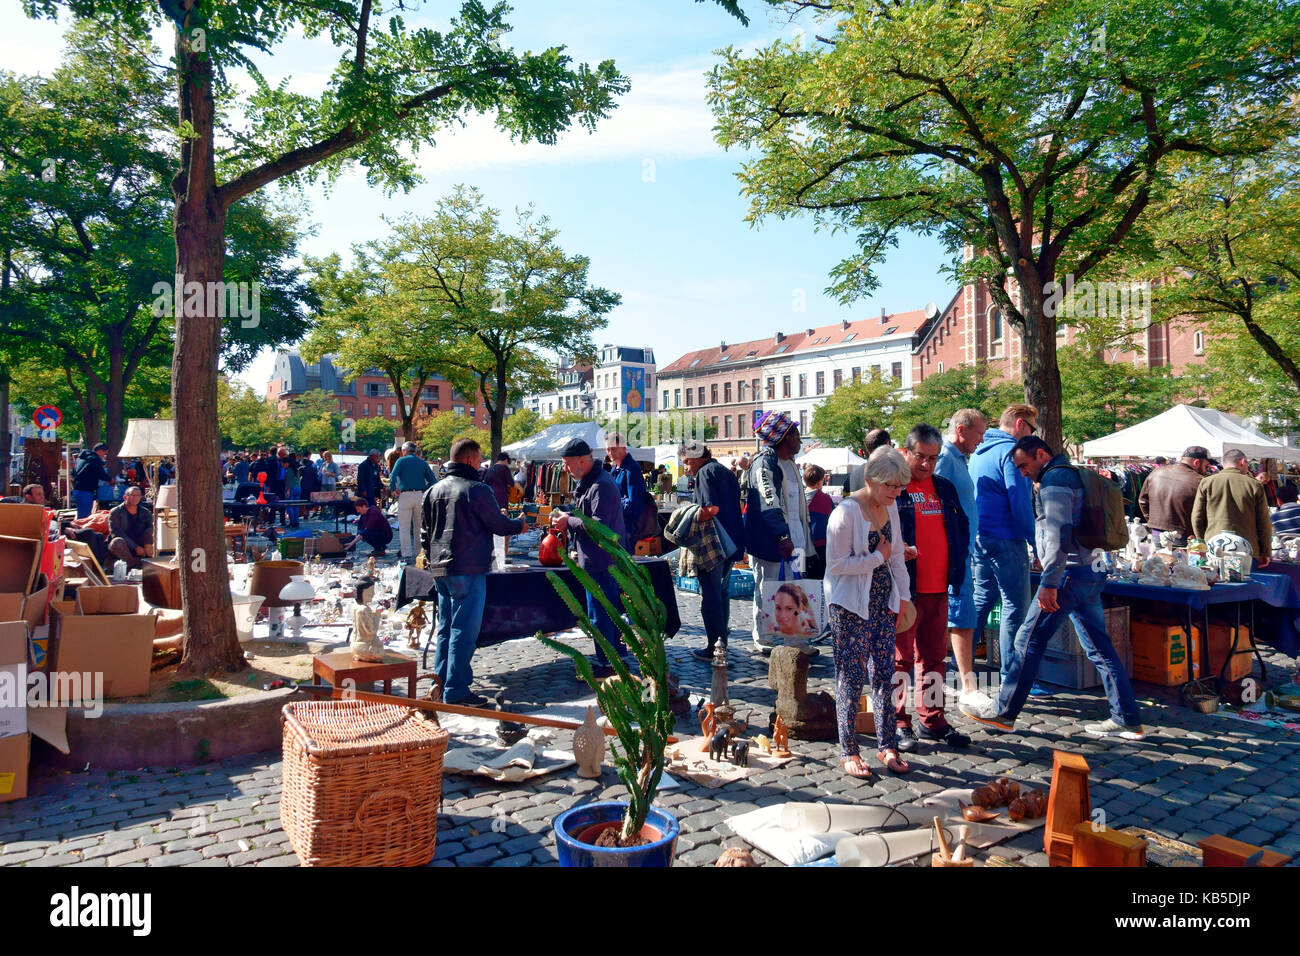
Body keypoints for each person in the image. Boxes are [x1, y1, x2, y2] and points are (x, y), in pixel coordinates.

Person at [962, 436, 1144, 739]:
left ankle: (1004, 712)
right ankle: (1127, 718)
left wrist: (1049, 582)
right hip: (1089, 570)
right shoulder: (1072, 475)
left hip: (1068, 575)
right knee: (1099, 647)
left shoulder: (1055, 479)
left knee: (1027, 641)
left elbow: (1059, 532)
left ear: (1042, 455)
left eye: (1024, 465)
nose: (1023, 473)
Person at [826, 446, 914, 778]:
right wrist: (877, 557)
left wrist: (903, 597)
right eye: (891, 486)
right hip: (850, 606)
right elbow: (836, 565)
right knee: (850, 678)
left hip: (882, 603)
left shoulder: (890, 508)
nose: (896, 492)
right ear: (871, 480)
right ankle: (849, 750)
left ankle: (887, 744)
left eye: (900, 486)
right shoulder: (845, 513)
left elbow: (897, 556)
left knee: (884, 676)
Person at [422, 438, 525, 705]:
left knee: (446, 629)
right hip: (466, 568)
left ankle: (440, 683)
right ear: (469, 460)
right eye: (479, 460)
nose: (481, 465)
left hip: (440, 568)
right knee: (463, 630)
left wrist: (432, 562)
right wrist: (519, 525)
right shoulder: (476, 489)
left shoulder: (432, 490)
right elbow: (498, 524)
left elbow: (424, 534)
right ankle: (456, 690)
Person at [894, 424, 971, 752]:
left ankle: (933, 719)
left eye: (933, 458)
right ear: (906, 453)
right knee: (899, 661)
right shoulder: (894, 488)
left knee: (935, 658)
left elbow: (961, 526)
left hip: (938, 588)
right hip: (905, 591)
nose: (926, 464)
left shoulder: (944, 487)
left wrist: (957, 564)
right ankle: (897, 721)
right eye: (920, 456)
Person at [548, 438, 630, 678]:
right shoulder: (593, 482)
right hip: (598, 560)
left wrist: (568, 521)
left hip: (601, 561)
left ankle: (609, 664)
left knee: (601, 615)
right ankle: (615, 660)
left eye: (567, 463)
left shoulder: (601, 484)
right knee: (606, 614)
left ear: (581, 461)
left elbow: (598, 526)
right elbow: (588, 516)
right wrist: (568, 515)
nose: (565, 469)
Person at [970, 404, 1038, 683]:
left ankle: (961, 668)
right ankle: (1012, 677)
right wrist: (1036, 543)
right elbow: (1020, 503)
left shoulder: (978, 452)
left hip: (980, 537)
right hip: (1006, 539)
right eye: (1032, 428)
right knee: (1015, 607)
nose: (1033, 435)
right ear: (1020, 424)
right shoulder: (1011, 453)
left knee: (981, 600)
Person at [933, 408, 992, 710]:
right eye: (979, 433)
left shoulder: (956, 457)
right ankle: (967, 685)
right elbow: (936, 505)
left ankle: (952, 679)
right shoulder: (945, 458)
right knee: (962, 614)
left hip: (959, 549)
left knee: (958, 614)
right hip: (953, 552)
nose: (981, 439)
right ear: (961, 430)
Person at [744, 411, 815, 654]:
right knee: (768, 589)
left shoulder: (791, 464)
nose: (800, 440)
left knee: (796, 588)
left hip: (796, 540)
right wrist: (782, 536)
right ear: (784, 437)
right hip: (772, 541)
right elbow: (768, 502)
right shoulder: (764, 463)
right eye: (796, 434)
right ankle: (764, 638)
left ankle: (795, 639)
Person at [680, 440, 746, 662]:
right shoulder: (724, 471)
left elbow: (710, 508)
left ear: (696, 457)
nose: (686, 468)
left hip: (715, 544)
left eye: (686, 462)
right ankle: (721, 643)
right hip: (732, 540)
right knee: (721, 593)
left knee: (711, 596)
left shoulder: (705, 472)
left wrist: (687, 516)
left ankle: (714, 647)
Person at [1192, 449, 1273, 566]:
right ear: (1242, 462)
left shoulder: (1206, 483)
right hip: (1246, 549)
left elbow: (1197, 517)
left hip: (1213, 546)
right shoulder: (1254, 485)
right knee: (1244, 578)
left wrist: (1202, 542)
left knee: (1215, 577)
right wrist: (1265, 551)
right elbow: (1263, 522)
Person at [1138, 446, 1209, 543]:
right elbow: (1203, 513)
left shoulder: (1156, 472)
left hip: (1157, 532)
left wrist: (1154, 522)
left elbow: (1143, 501)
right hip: (1184, 535)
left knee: (1159, 553)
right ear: (1196, 463)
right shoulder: (1200, 481)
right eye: (1206, 466)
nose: (1206, 471)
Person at [390, 442, 436, 565]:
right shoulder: (422, 462)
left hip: (405, 495)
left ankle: (406, 554)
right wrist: (424, 489)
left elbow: (393, 476)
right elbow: (433, 480)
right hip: (420, 495)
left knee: (404, 527)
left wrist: (393, 489)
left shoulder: (401, 461)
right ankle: (419, 553)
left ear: (405, 450)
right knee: (419, 527)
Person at [605, 433, 647, 549]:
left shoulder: (632, 468)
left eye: (613, 448)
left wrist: (612, 507)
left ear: (623, 447)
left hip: (626, 528)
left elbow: (635, 504)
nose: (610, 452)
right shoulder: (615, 469)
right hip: (615, 525)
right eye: (608, 449)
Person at [108, 486, 154, 570]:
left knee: (150, 531)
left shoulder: (145, 512)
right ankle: (133, 565)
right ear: (125, 497)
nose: (135, 498)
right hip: (125, 543)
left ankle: (149, 561)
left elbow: (151, 528)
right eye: (133, 495)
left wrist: (147, 546)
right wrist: (135, 547)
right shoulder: (115, 512)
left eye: (138, 495)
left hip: (140, 543)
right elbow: (117, 533)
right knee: (116, 542)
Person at [803, 464, 833, 580]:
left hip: (801, 543)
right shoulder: (825, 499)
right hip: (820, 545)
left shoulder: (798, 498)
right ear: (820, 482)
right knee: (820, 578)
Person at [71, 443, 112, 519]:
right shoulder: (94, 459)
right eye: (104, 453)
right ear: (100, 451)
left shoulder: (80, 458)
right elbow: (102, 474)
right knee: (84, 518)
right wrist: (111, 480)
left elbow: (73, 473)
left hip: (77, 490)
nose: (104, 456)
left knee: (81, 515)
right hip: (86, 491)